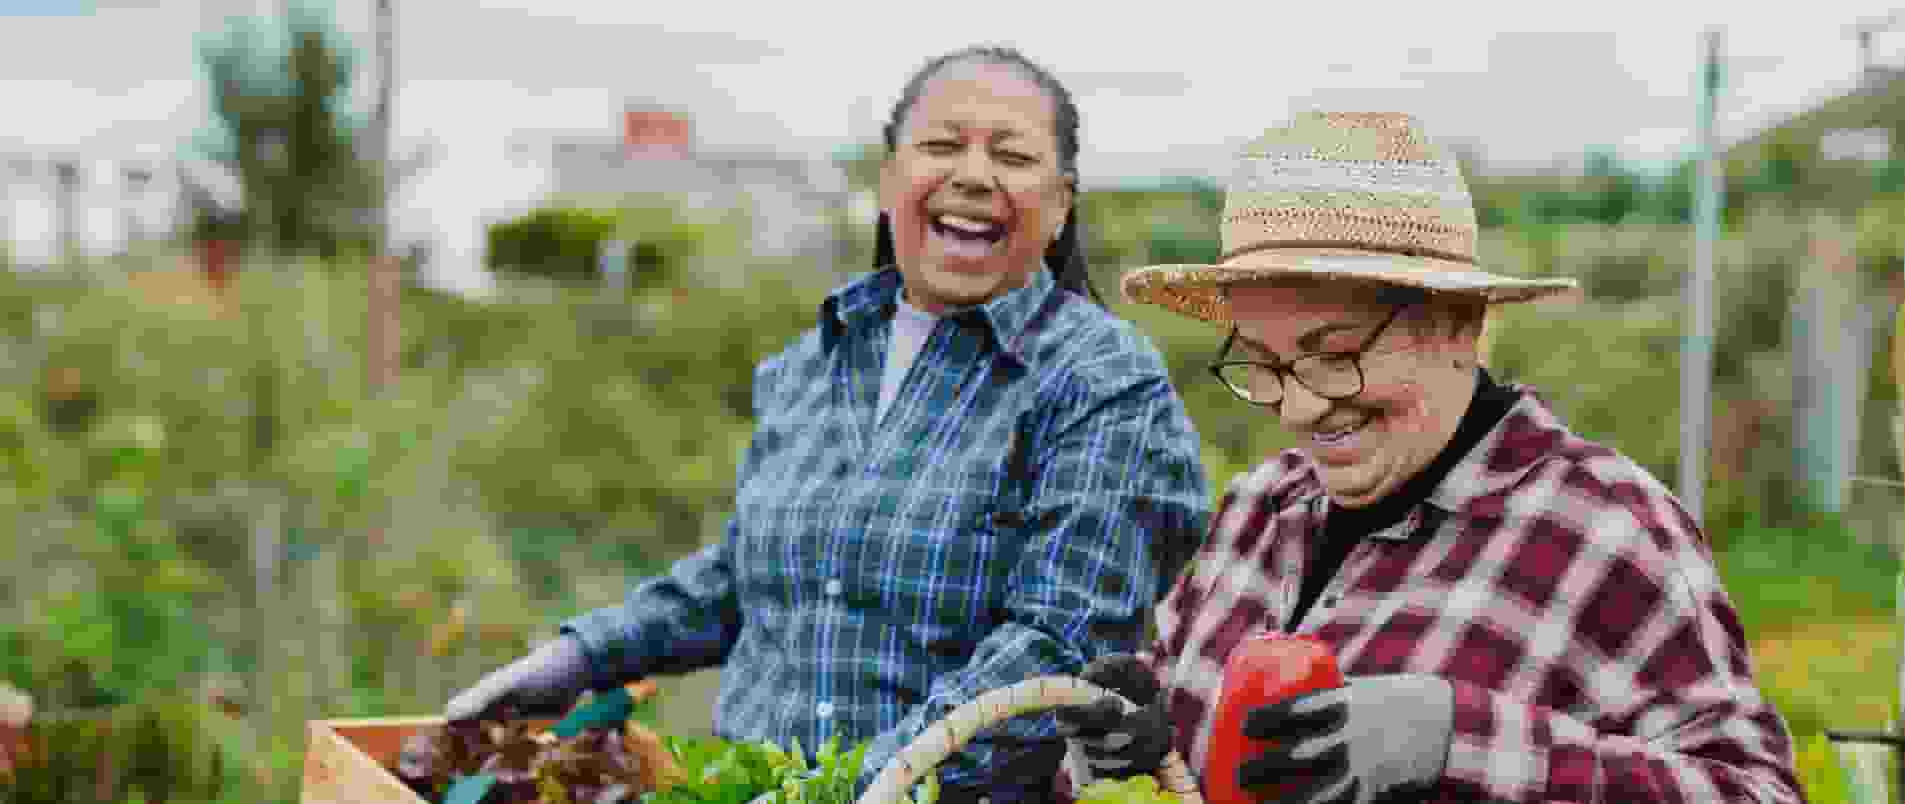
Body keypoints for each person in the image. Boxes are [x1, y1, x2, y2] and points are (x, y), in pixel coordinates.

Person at [444, 46, 1210, 803]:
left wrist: (849, 789)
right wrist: (581, 656)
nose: (973, 175)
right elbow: (747, 574)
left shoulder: (1102, 380)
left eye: (1011, 155)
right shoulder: (815, 359)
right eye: (942, 145)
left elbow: (1055, 650)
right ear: (888, 180)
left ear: (1060, 204)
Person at [1051, 111, 1803, 803]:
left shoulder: (1600, 527)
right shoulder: (1259, 508)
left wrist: (1453, 738)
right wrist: (1134, 730)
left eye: (1335, 355)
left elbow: (1754, 791)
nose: (1300, 407)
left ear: (1456, 323)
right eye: (1264, 362)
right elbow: (1195, 740)